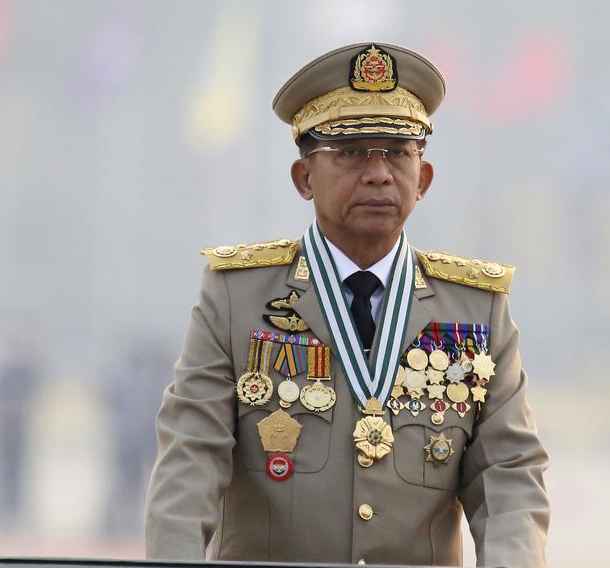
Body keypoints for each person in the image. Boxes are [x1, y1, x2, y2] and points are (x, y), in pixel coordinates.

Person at [145, 42, 549, 568]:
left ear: (423, 179)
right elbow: (188, 464)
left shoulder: (476, 309)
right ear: (304, 178)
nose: (379, 173)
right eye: (353, 151)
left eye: (399, 152)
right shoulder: (237, 298)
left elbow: (509, 476)